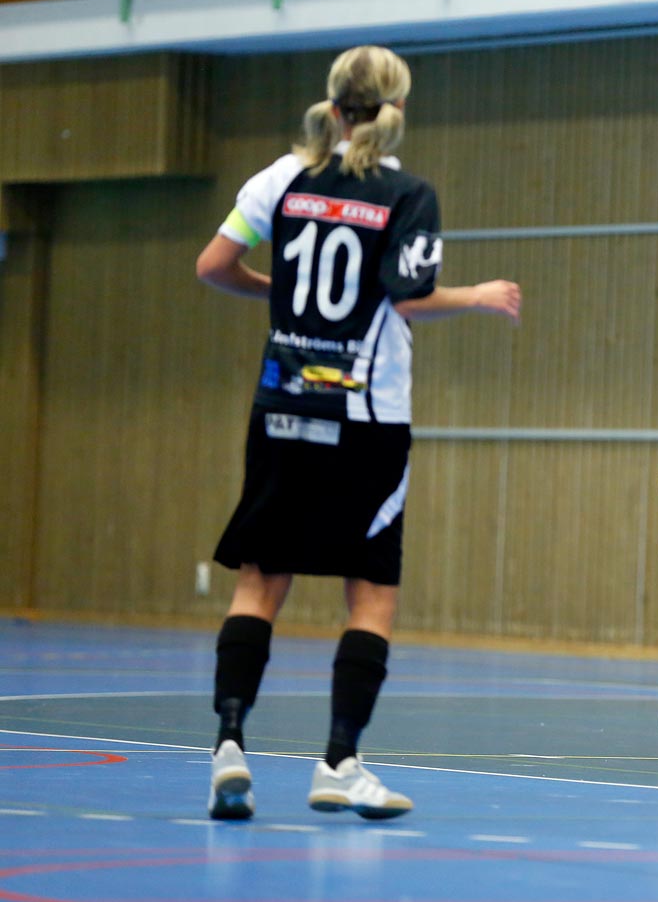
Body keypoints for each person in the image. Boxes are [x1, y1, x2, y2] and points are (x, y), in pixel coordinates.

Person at [196, 44, 522, 821]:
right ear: (397, 109)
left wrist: (280, 293)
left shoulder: (281, 179)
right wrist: (477, 293)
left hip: (282, 406)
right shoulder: (407, 192)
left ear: (333, 105)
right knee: (371, 593)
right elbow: (407, 298)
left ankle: (229, 745)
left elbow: (213, 264)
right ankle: (339, 760)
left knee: (258, 581)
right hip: (367, 417)